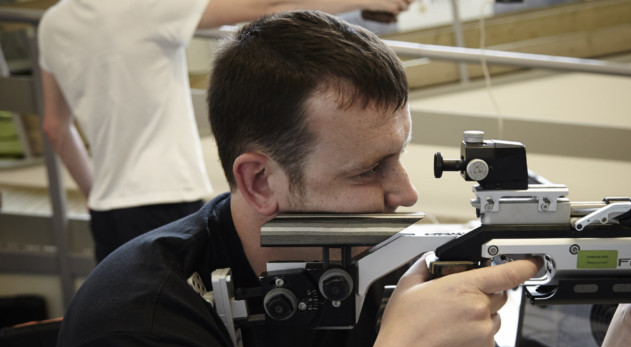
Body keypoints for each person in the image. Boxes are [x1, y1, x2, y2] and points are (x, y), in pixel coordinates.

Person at [3, 10, 631, 347]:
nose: (406, 193)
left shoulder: (378, 273)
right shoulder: (145, 323)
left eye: (401, 156)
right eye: (368, 171)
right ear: (260, 180)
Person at [37, 0, 414, 262]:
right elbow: (264, 13)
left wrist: (97, 191)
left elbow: (55, 127)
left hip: (108, 208)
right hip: (167, 195)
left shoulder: (52, 24)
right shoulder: (144, 7)